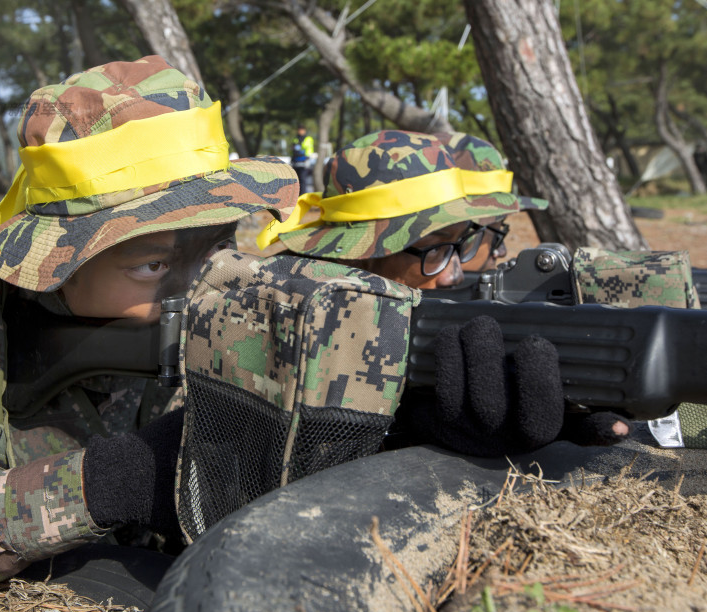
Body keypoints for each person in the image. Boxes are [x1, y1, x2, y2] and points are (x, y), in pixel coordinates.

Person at [0, 55, 299, 608]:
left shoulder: (216, 304)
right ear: (57, 258)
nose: (196, 285)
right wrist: (108, 483)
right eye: (153, 265)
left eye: (213, 245)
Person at [260, 130, 629, 457]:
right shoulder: (294, 322)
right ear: (362, 257)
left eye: (460, 246)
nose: (455, 274)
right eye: (434, 250)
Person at [290, 124, 315, 195]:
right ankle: (296, 196)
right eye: (299, 130)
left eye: (301, 130)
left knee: (303, 180)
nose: (300, 131)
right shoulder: (295, 139)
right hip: (295, 161)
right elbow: (292, 150)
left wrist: (308, 159)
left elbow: (309, 150)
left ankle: (302, 195)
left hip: (304, 162)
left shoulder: (308, 139)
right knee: (295, 180)